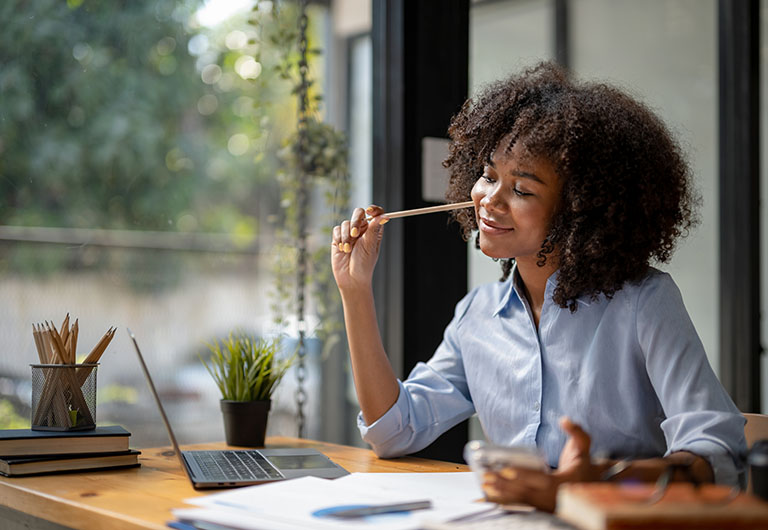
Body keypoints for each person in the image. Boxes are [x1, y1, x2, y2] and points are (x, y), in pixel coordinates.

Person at [330, 62, 746, 512]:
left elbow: (718, 455)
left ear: (579, 211)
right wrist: (356, 292)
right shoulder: (478, 314)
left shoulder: (644, 301)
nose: (490, 199)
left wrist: (600, 481)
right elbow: (395, 432)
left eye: (522, 190)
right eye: (489, 176)